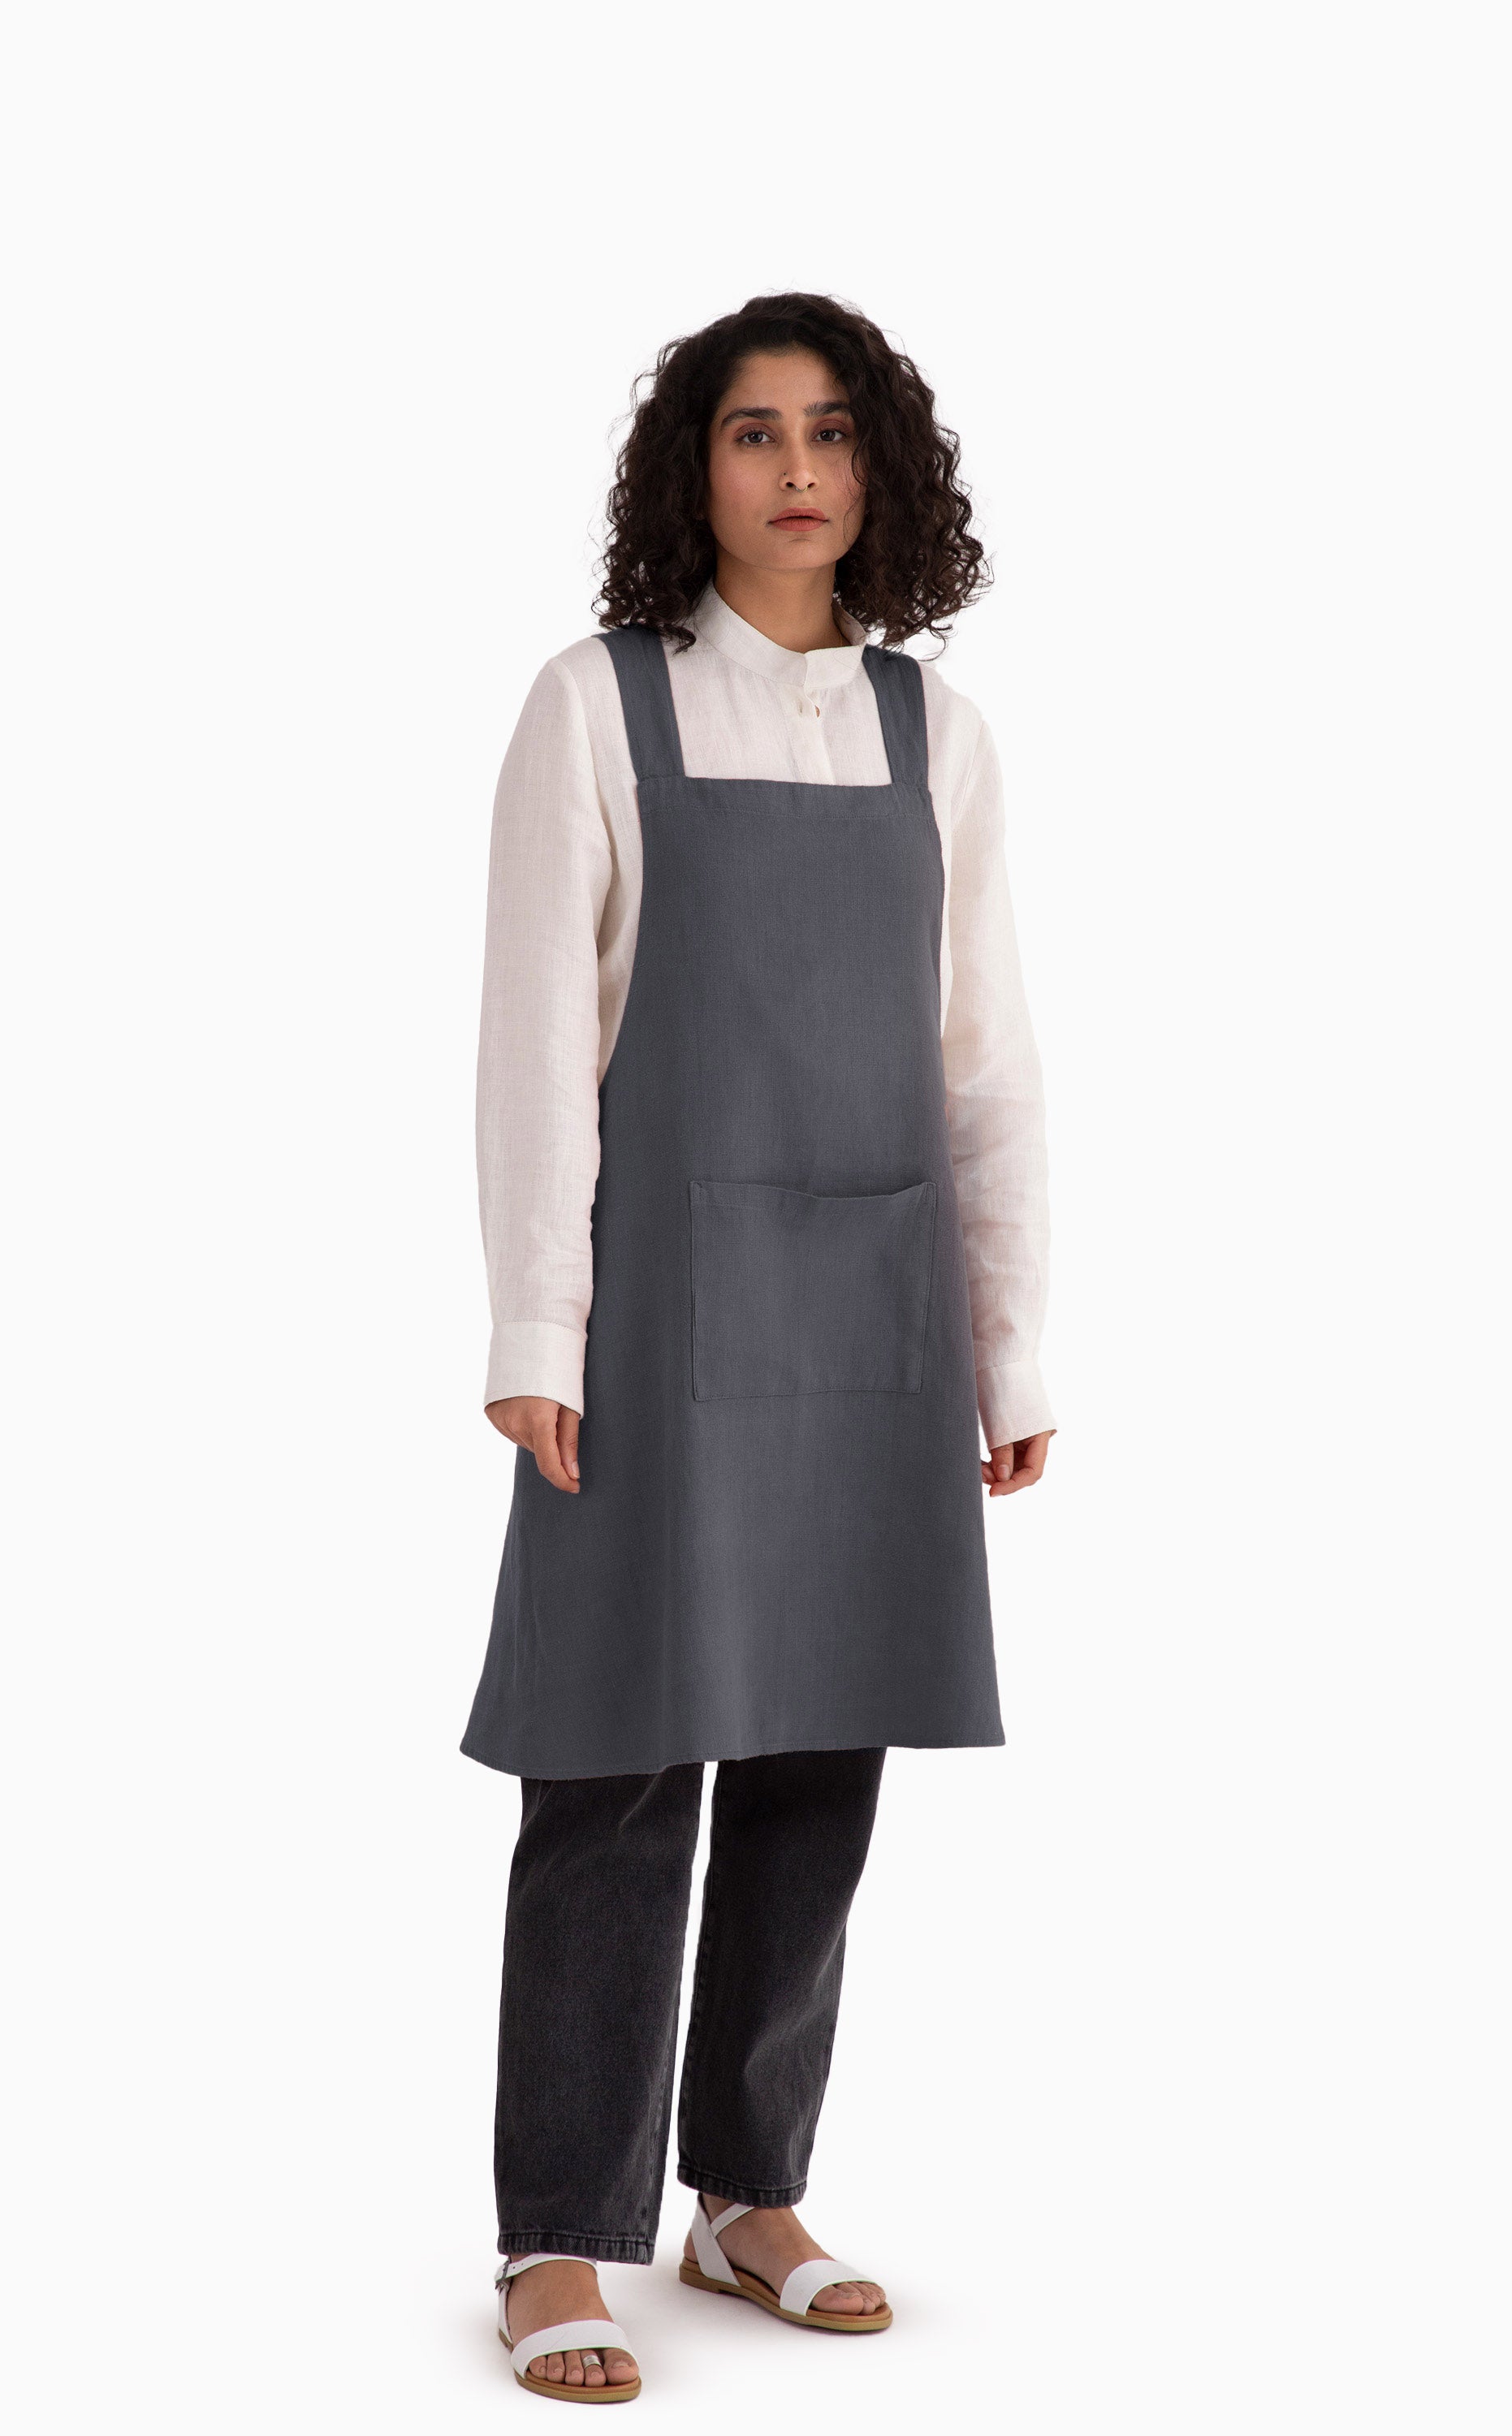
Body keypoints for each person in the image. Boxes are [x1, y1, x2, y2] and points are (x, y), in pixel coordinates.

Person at [462, 292, 1057, 2402]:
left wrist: (1013, 1348)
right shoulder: (596, 705)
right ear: (691, 470)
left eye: (831, 430)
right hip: (663, 1308)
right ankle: (559, 2232)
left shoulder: (933, 733)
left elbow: (984, 1060)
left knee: (819, 1756)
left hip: (873, 1311)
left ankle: (746, 2195)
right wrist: (538, 1323)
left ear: (880, 469)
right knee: (615, 1761)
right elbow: (537, 1038)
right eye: (750, 431)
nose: (796, 468)